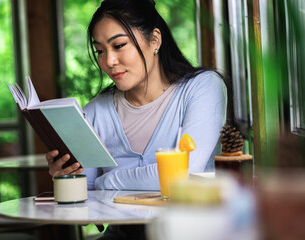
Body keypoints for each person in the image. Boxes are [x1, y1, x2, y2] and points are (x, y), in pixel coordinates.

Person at [47, 0, 228, 239]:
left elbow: (184, 174)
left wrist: (107, 181)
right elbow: (87, 201)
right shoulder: (95, 112)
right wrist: (65, 178)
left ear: (155, 39)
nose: (109, 61)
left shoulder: (202, 88)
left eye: (119, 45)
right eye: (100, 50)